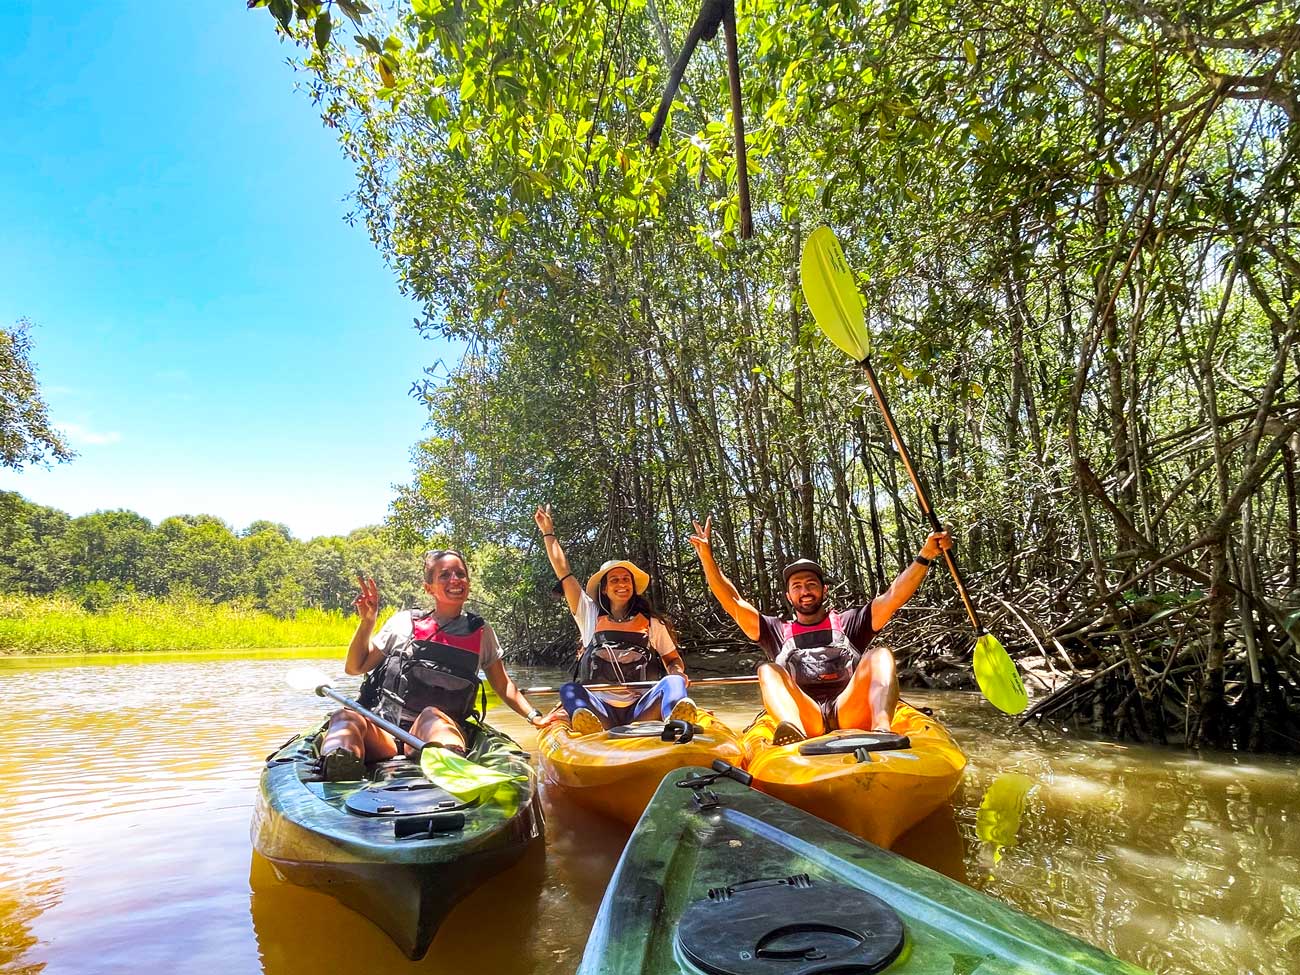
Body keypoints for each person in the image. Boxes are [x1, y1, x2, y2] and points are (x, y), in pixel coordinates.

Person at [689, 516, 951, 742]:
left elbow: (894, 596)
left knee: (880, 654)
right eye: (797, 586)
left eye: (811, 584)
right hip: (806, 717)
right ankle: (793, 731)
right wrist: (707, 558)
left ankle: (881, 729)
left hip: (849, 710)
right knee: (767, 669)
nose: (805, 591)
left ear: (824, 590)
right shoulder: (774, 630)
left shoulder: (851, 621)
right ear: (788, 596)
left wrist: (925, 556)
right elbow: (732, 601)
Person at [319, 549, 550, 780]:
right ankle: (339, 765)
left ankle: (448, 764)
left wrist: (535, 717)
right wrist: (367, 621)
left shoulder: (481, 632)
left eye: (460, 574)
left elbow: (503, 686)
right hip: (385, 732)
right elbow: (355, 667)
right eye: (444, 575)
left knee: (432, 715)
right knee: (344, 717)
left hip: (435, 733)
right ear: (428, 587)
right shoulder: (404, 623)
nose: (455, 580)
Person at [535, 504, 697, 736]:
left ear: (633, 586)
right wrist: (548, 532)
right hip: (601, 709)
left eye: (626, 580)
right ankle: (588, 723)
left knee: (673, 684)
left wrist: (677, 673)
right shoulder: (589, 614)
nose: (622, 584)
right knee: (570, 690)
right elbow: (565, 574)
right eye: (614, 580)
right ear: (604, 589)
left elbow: (672, 660)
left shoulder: (652, 622)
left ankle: (674, 720)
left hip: (641, 710)